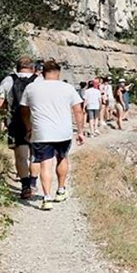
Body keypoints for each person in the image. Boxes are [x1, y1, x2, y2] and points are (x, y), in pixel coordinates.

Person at [19, 59, 85, 211]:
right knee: (62, 158)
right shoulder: (67, 88)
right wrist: (80, 131)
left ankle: (46, 197)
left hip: (41, 132)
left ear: (42, 72)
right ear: (58, 73)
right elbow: (78, 111)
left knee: (45, 164)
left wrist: (28, 127)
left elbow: (24, 110)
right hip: (63, 132)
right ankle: (61, 190)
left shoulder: (32, 88)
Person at [0, 56, 40, 200]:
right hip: (36, 121)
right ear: (32, 67)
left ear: (17, 67)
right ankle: (33, 183)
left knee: (21, 156)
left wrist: (4, 116)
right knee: (36, 155)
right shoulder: (39, 80)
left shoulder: (9, 80)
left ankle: (25, 186)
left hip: (16, 121)